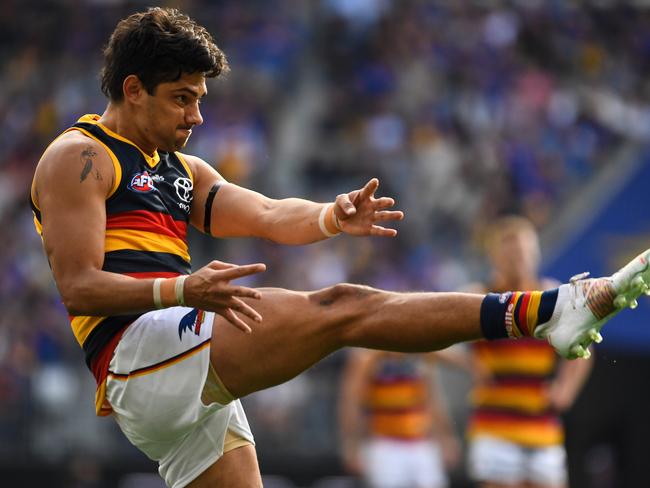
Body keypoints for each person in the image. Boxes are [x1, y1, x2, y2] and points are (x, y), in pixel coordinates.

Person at [28, 7, 650, 488]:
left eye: (199, 99)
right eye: (181, 98)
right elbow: (79, 285)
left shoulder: (180, 168)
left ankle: (549, 313)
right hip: (135, 354)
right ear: (133, 89)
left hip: (177, 360)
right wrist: (182, 287)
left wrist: (330, 216)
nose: (195, 115)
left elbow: (269, 212)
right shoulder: (78, 157)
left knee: (343, 307)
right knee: (343, 306)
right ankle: (547, 312)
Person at [461, 216, 593, 488]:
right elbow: (437, 339)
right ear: (494, 256)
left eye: (524, 253)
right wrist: (469, 362)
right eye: (510, 254)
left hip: (542, 425)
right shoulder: (481, 297)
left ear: (536, 254)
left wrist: (565, 389)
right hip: (495, 425)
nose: (518, 259)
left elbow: (585, 342)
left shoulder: (549, 295)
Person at [338, 350, 462, 488]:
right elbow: (352, 402)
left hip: (422, 443)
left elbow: (432, 400)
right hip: (385, 446)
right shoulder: (367, 358)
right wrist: (352, 445)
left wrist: (445, 438)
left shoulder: (421, 356)